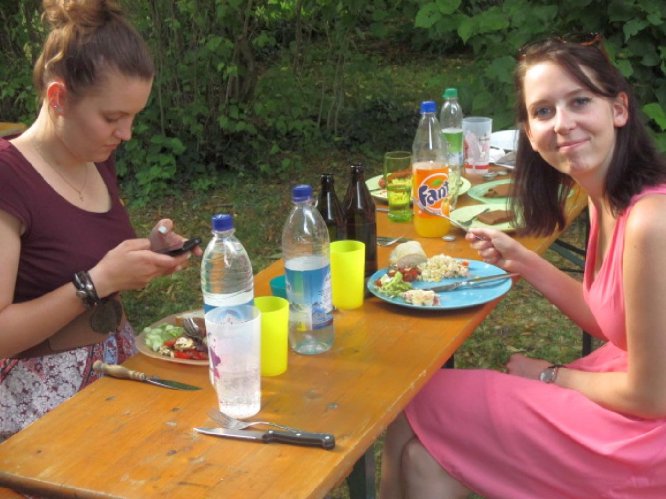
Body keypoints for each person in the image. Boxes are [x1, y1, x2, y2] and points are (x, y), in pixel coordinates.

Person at [379, 34, 666, 498]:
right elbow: (612, 320)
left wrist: (551, 375)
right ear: (529, 135)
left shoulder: (652, 221)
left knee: (418, 398)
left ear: (618, 109)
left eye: (579, 101)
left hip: (647, 438)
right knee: (424, 459)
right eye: (544, 111)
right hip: (635, 396)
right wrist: (525, 261)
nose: (563, 123)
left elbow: (652, 397)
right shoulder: (605, 198)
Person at [0, 0, 201, 442]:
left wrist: (146, 255)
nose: (126, 134)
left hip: (120, 378)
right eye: (113, 118)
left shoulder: (95, 157)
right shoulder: (7, 176)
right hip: (39, 418)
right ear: (58, 98)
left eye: (133, 117)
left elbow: (79, 253)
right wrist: (96, 282)